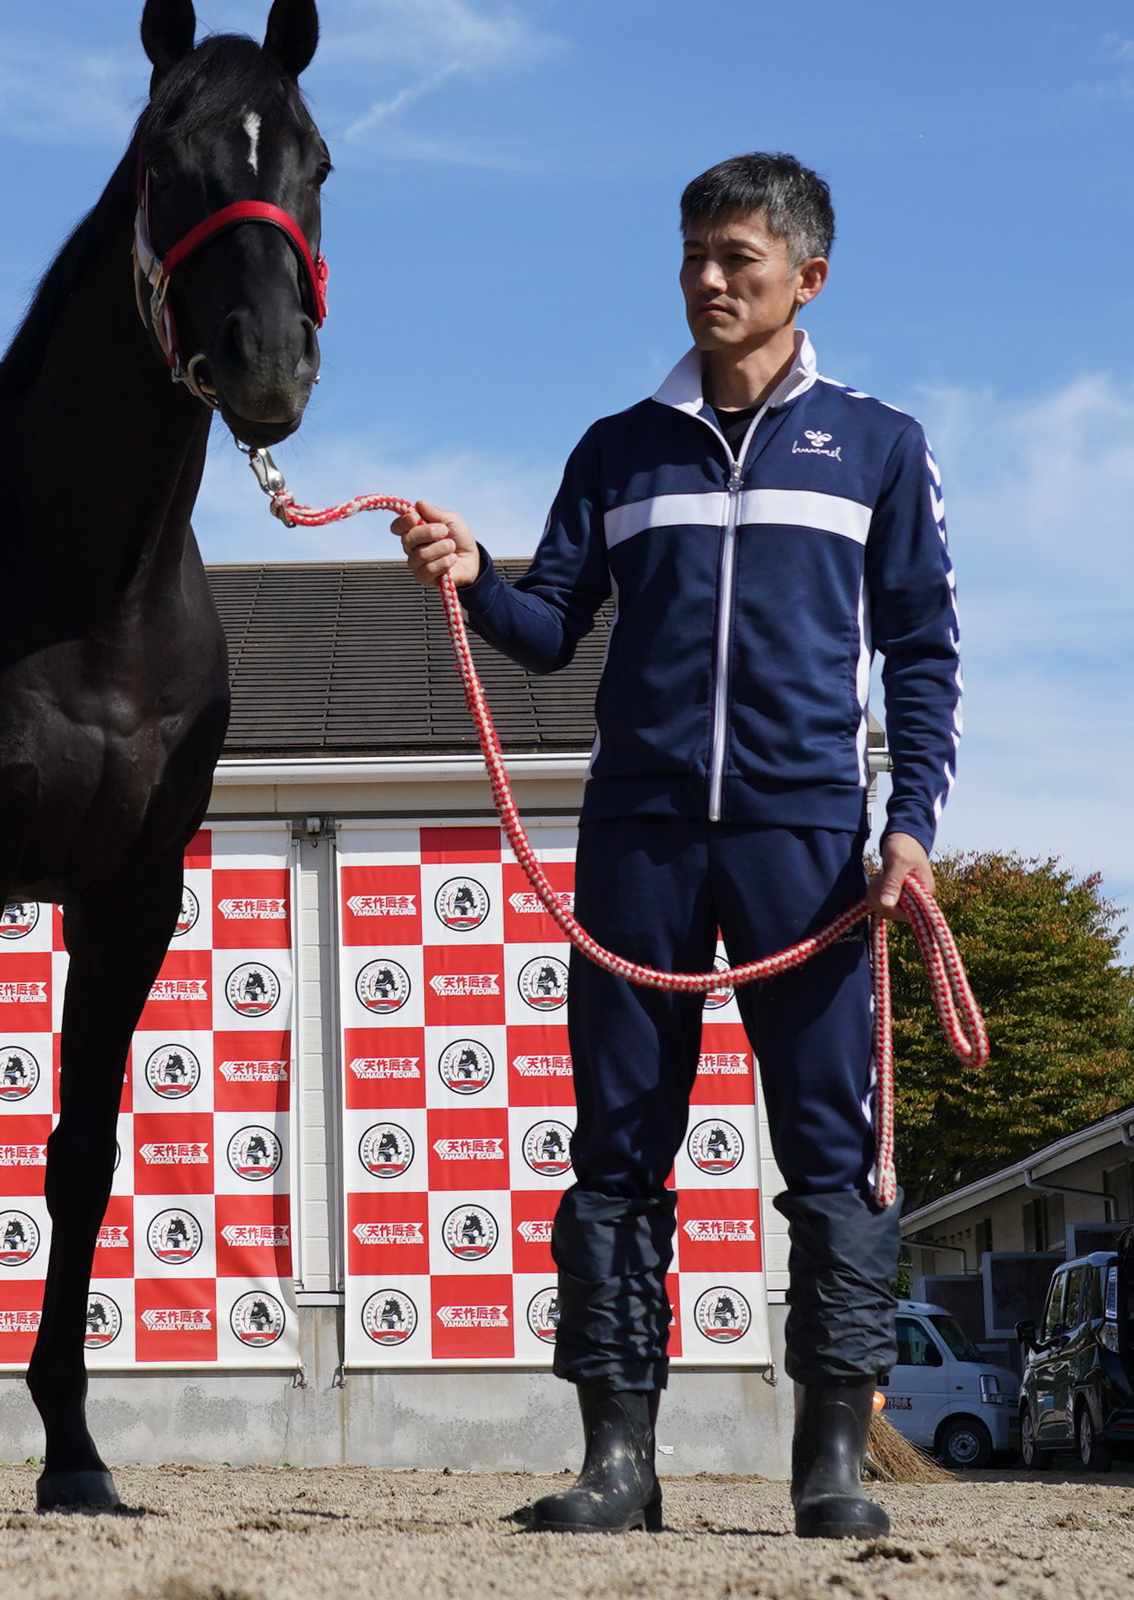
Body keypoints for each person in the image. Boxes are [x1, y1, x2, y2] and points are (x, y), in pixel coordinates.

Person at [393, 152, 959, 1540]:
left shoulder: (879, 442)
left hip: (808, 838)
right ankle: (618, 1463)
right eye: (695, 254)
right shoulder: (616, 447)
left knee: (831, 1154)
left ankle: (829, 1460)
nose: (709, 279)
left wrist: (910, 826)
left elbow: (924, 655)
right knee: (616, 1150)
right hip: (638, 834)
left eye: (740, 259)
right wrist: (476, 580)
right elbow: (549, 629)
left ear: (806, 278)